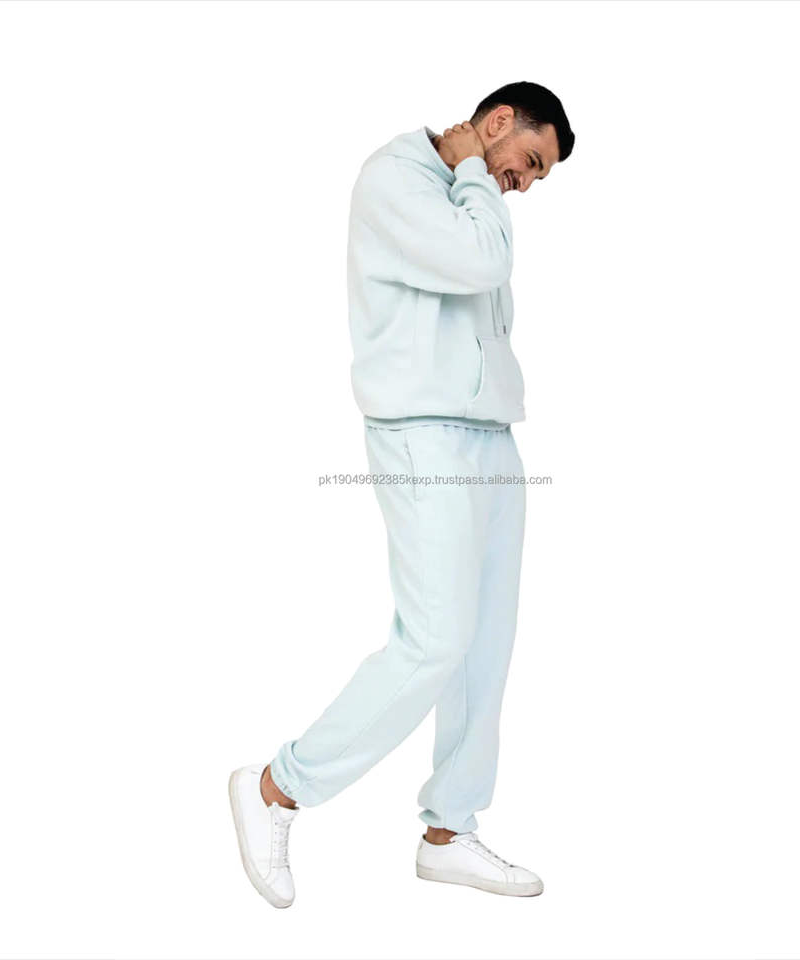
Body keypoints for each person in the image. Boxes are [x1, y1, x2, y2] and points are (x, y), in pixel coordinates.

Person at [229, 81, 575, 909]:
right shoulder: (397, 178)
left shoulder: (473, 194)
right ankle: (277, 786)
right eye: (529, 160)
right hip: (423, 435)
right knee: (434, 640)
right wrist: (473, 172)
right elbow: (483, 262)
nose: (525, 183)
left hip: (491, 437)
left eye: (537, 176)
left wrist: (476, 175)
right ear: (498, 122)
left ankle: (449, 831)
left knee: (484, 647)